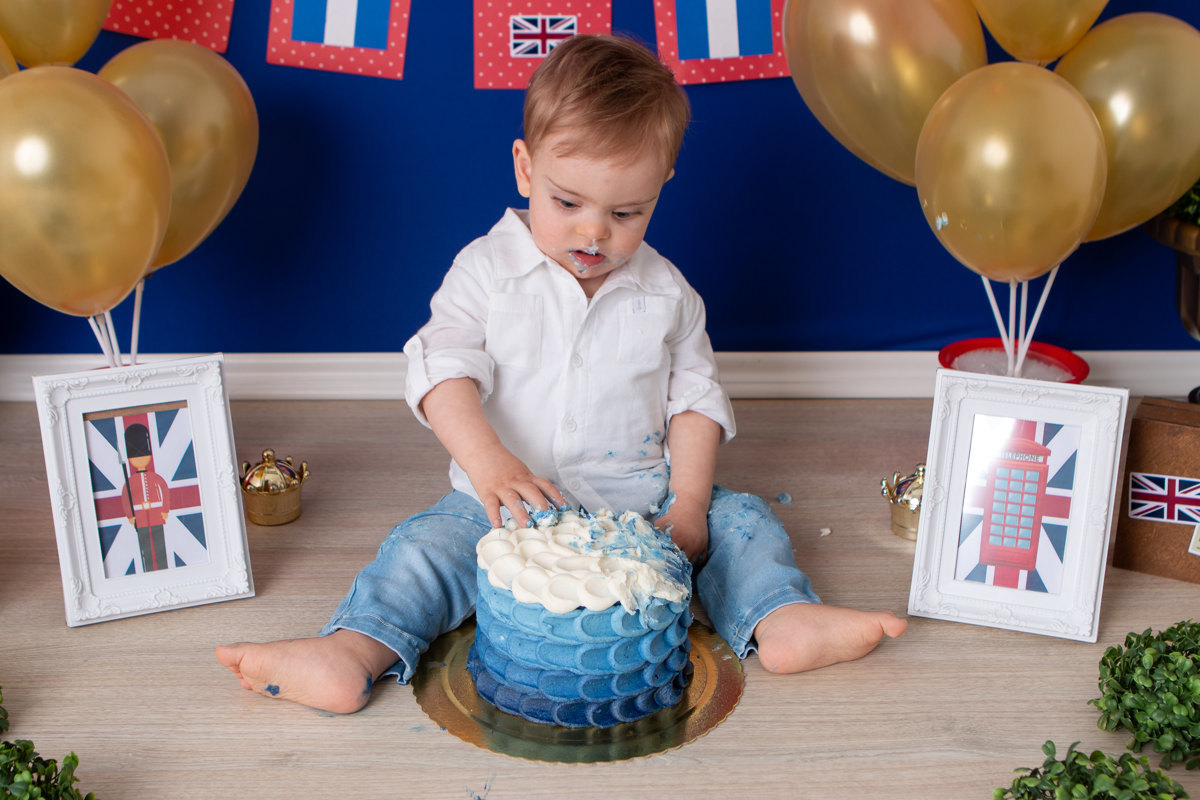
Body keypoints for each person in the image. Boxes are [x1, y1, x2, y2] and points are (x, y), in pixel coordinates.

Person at [216, 34, 906, 714]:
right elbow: (442, 372)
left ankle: (780, 616)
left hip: (640, 508)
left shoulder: (668, 293)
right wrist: (489, 465)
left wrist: (690, 503)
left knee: (744, 523)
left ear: (661, 188)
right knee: (422, 552)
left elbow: (694, 400)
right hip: (501, 505)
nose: (594, 233)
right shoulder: (487, 271)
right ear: (525, 168)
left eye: (626, 213)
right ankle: (353, 649)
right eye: (568, 203)